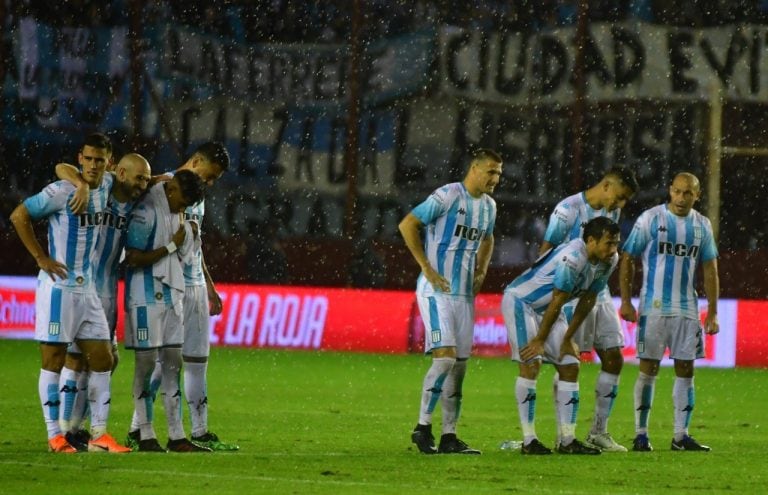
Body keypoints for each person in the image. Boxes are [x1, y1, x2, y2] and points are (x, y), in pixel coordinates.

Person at [9, 133, 131, 453]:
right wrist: (40, 257)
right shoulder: (61, 190)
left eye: (99, 160)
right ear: (81, 158)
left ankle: (99, 436)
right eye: (88, 158)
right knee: (53, 362)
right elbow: (19, 215)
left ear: (109, 163)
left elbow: (132, 176)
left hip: (87, 289)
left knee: (104, 359)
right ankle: (55, 436)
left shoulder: (105, 185)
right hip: (59, 288)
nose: (93, 165)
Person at [126, 142, 237, 451]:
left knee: (196, 360)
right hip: (168, 286)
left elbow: (194, 242)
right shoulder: (161, 186)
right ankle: (139, 428)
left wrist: (210, 285)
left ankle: (200, 431)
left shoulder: (195, 197)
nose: (211, 183)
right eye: (210, 175)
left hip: (196, 286)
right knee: (164, 364)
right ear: (196, 160)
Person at [399, 148, 502, 455]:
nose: (496, 179)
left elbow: (488, 237)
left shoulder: (489, 207)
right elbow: (407, 225)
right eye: (491, 172)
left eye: (499, 174)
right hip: (436, 291)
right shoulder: (447, 196)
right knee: (444, 358)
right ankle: (422, 427)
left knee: (458, 368)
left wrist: (483, 267)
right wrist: (426, 268)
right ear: (474, 168)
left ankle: (449, 437)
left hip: (464, 297)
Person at [53, 153, 152, 450]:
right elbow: (61, 167)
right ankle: (66, 430)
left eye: (146, 180)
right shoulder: (102, 184)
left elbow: (157, 184)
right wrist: (80, 184)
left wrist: (153, 180)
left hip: (108, 290)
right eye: (139, 178)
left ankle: (77, 428)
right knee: (76, 359)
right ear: (120, 172)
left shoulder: (135, 200)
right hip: (84, 286)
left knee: (107, 360)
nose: (143, 185)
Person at [538, 166, 638, 452]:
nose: (619, 206)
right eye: (618, 198)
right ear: (606, 185)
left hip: (599, 292)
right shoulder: (567, 210)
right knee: (570, 363)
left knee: (614, 358)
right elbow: (546, 251)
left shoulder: (612, 212)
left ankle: (598, 432)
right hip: (571, 295)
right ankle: (564, 436)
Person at [502, 216, 621, 455]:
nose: (613, 249)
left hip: (549, 311)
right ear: (591, 240)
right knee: (531, 364)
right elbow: (558, 298)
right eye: (608, 243)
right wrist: (539, 340)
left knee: (570, 366)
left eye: (616, 243)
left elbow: (588, 299)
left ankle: (567, 440)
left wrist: (567, 338)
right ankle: (529, 440)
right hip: (522, 303)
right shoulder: (573, 258)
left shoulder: (609, 260)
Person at [619, 172, 719, 452]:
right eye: (677, 191)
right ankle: (641, 434)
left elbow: (710, 268)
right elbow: (627, 257)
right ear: (669, 191)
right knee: (648, 368)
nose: (681, 197)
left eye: (688, 193)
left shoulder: (701, 225)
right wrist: (626, 301)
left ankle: (681, 436)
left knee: (686, 370)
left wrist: (712, 312)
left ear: (697, 196)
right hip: (653, 307)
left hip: (687, 309)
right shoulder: (651, 219)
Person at [123, 170, 210, 452]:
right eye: (182, 202)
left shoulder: (178, 211)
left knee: (174, 365)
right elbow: (133, 258)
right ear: (171, 190)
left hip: (173, 295)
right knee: (146, 367)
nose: (183, 209)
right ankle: (145, 435)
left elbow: (182, 255)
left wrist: (189, 238)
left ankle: (177, 437)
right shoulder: (146, 212)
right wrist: (172, 244)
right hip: (144, 297)